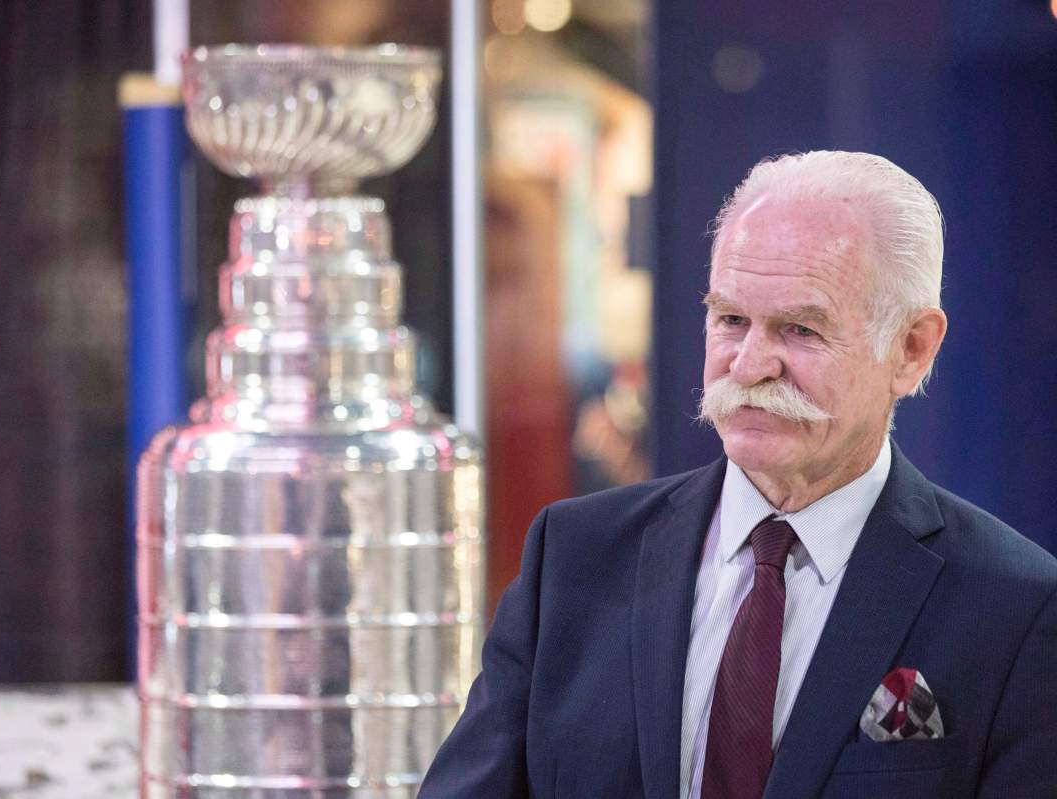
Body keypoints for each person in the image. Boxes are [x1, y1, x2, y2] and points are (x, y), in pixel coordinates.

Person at [418, 151, 1057, 798]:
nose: (749, 365)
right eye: (730, 320)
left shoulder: (1014, 607)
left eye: (801, 329)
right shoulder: (575, 557)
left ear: (912, 348)